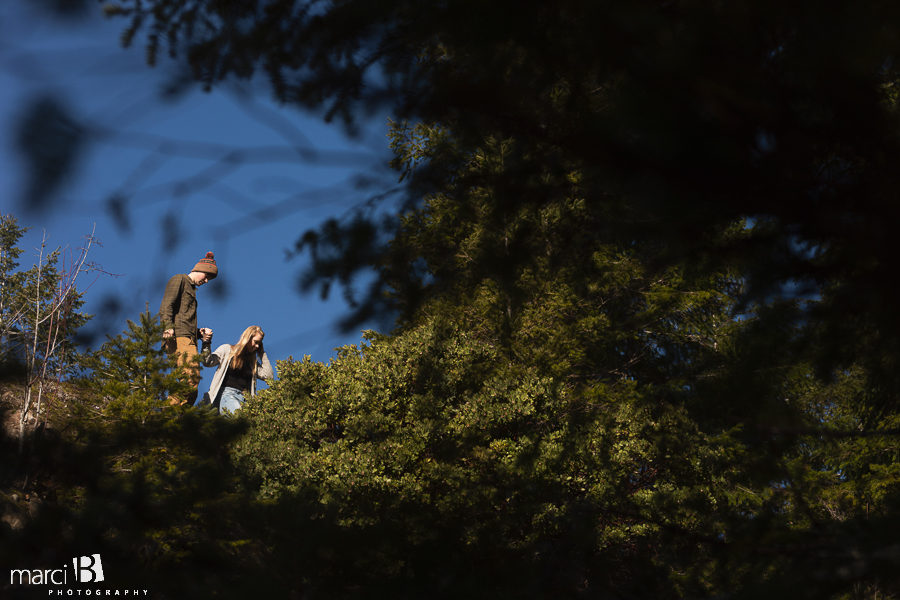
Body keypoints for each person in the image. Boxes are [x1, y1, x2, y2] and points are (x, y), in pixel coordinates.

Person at [159, 251, 218, 406]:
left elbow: (183, 320)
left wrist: (199, 333)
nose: (206, 281)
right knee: (190, 379)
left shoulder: (191, 289)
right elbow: (167, 305)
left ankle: (178, 422)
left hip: (187, 339)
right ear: (199, 269)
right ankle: (166, 414)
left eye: (209, 279)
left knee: (192, 386)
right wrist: (167, 327)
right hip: (179, 338)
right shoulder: (180, 279)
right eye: (206, 276)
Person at [199, 325, 275, 415]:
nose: (257, 346)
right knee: (241, 419)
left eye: (260, 344)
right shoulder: (227, 350)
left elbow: (268, 376)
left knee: (248, 426)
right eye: (256, 342)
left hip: (246, 401)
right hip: (227, 395)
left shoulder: (252, 363)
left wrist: (262, 353)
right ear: (247, 338)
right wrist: (206, 342)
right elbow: (207, 361)